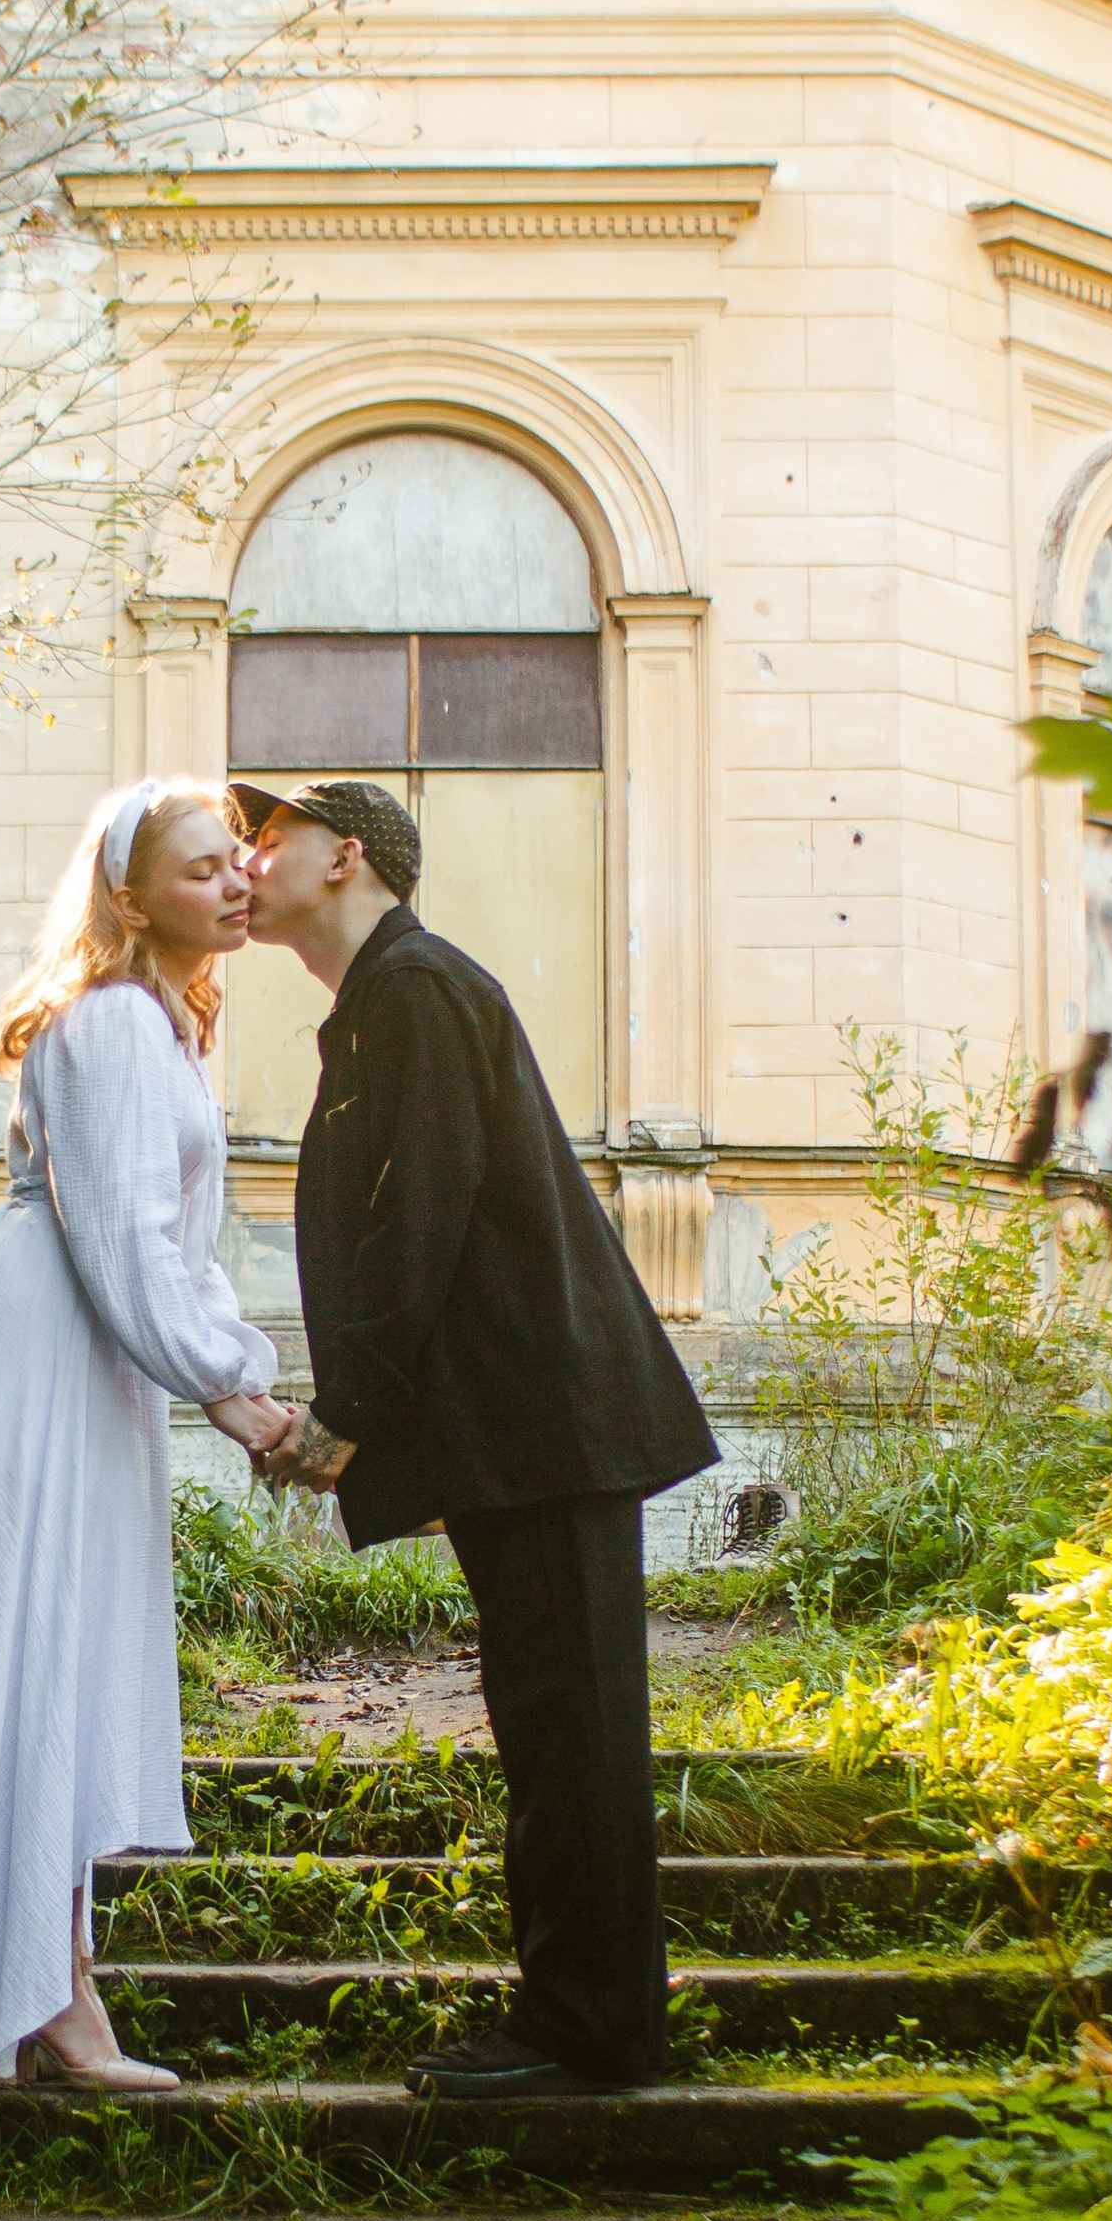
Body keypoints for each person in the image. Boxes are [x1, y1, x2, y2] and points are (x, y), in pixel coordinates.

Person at [235, 778, 718, 2098]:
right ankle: (584, 2016)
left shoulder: (416, 988)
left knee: (572, 1727)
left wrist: (347, 1418)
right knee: (554, 1717)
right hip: (530, 1426)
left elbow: (419, 1221)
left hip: (550, 1425)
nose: (245, 856)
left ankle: (592, 2033)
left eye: (266, 836)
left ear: (343, 856)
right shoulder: (388, 997)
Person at [0, 782, 291, 2087]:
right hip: (46, 1339)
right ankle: (56, 1999)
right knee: (39, 1644)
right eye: (203, 869)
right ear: (131, 898)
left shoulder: (160, 1029)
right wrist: (231, 1386)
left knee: (67, 1647)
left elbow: (171, 1245)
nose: (234, 884)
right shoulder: (106, 1027)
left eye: (235, 865)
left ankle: (52, 1978)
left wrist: (234, 1372)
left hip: (85, 1345)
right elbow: (123, 1240)